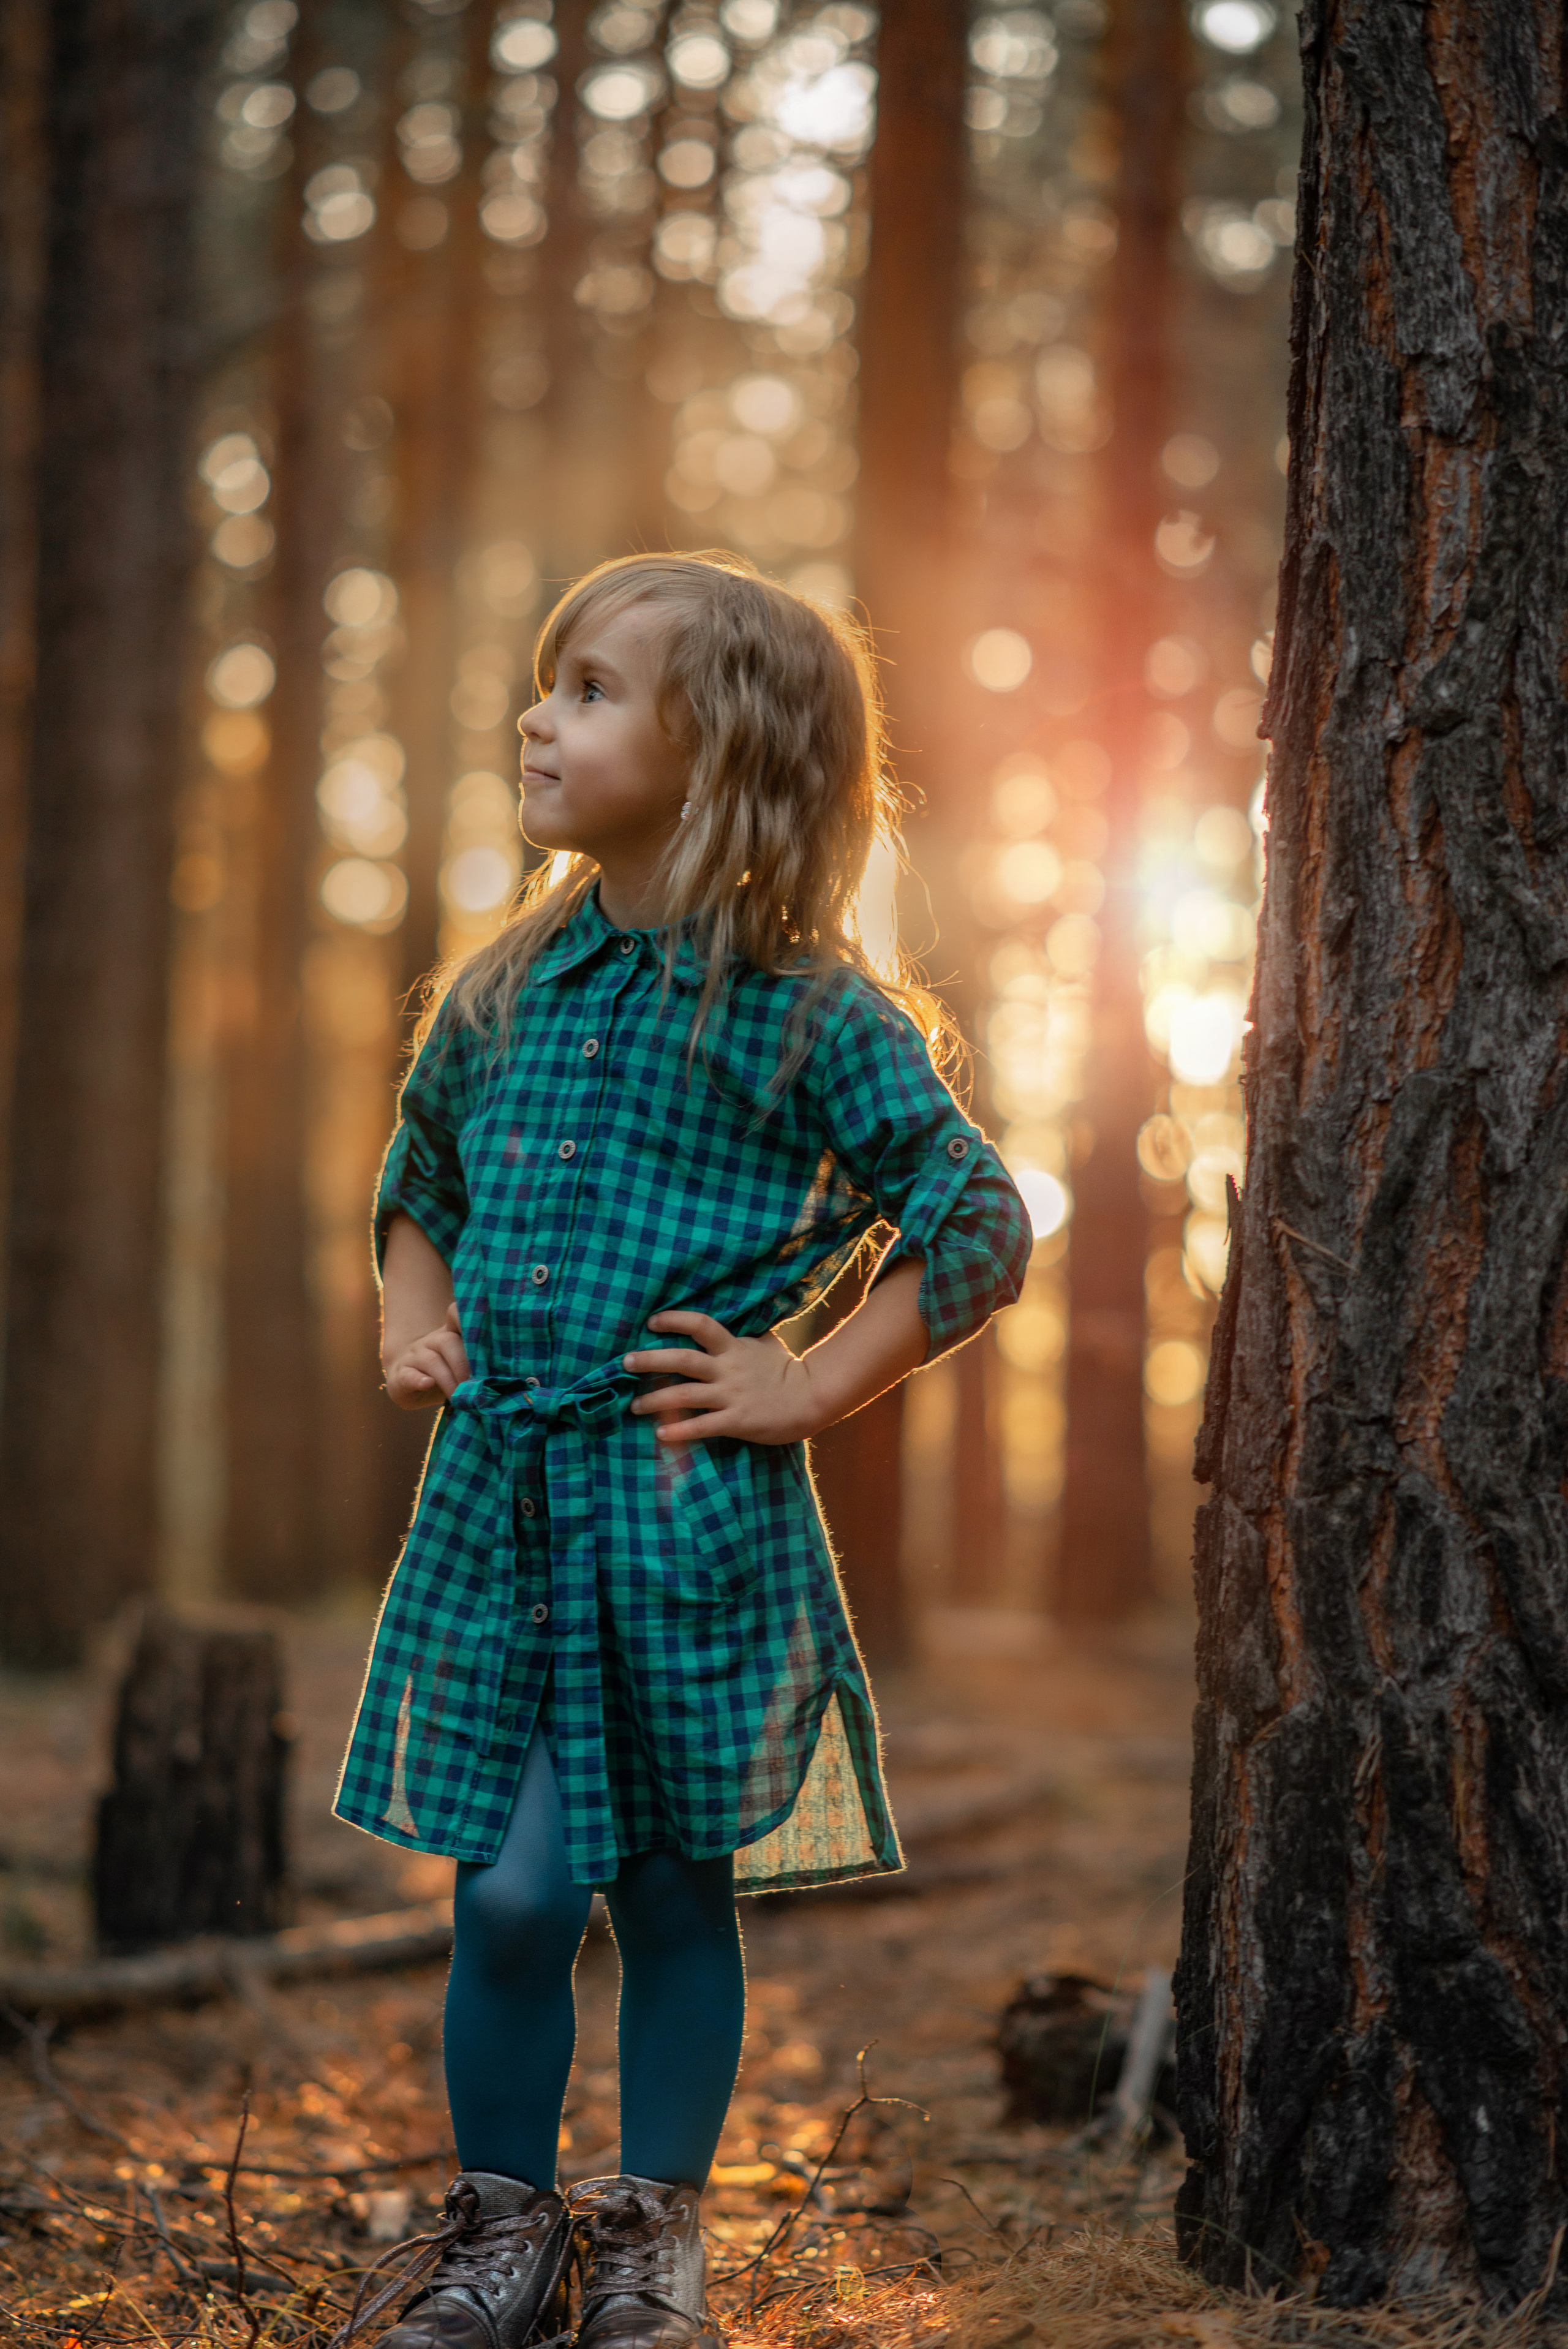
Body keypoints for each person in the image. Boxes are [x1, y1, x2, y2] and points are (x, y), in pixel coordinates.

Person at [334, 552, 1031, 2349]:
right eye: (547, 681)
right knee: (510, 1890)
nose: (535, 716)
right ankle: (500, 2232)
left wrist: (809, 1382)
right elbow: (420, 1180)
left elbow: (974, 1217)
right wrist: (416, 1315)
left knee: (663, 1887)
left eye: (588, 690)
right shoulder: (504, 986)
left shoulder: (809, 1007)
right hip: (500, 1506)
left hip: (679, 1522)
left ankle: (653, 2235)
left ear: (722, 749)